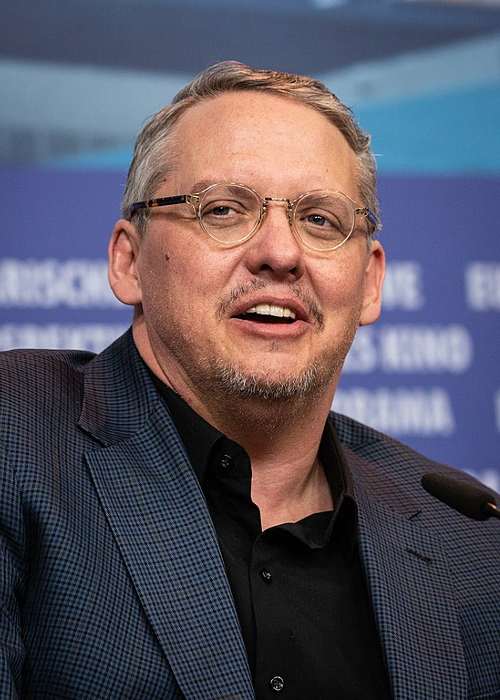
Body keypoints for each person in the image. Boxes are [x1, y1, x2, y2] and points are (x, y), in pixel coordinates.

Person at [0, 62, 498, 700]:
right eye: (224, 210)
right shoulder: (17, 437)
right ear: (128, 261)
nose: (280, 253)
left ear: (370, 283)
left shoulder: (471, 541)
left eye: (320, 220)